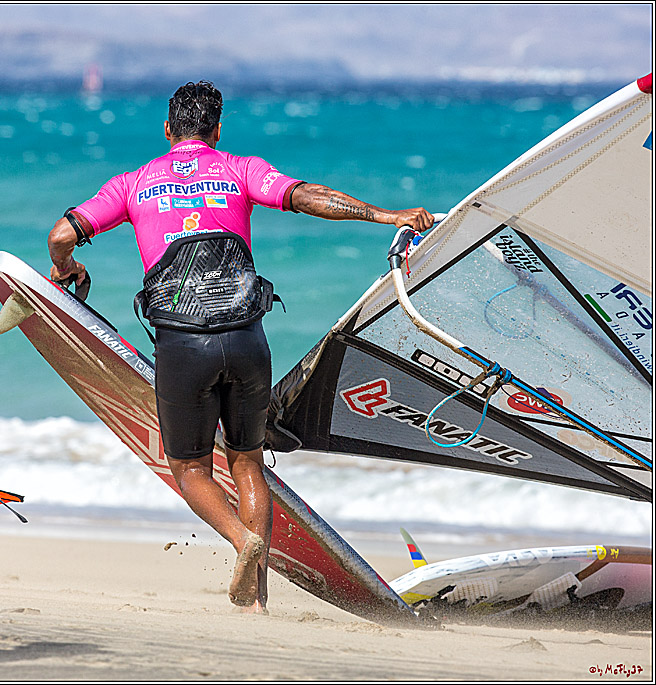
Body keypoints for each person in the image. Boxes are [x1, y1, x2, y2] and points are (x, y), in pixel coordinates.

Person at [48, 80, 433, 614]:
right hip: (248, 340)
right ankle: (259, 604)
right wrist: (387, 216)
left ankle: (240, 539)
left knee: (191, 469)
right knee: (248, 460)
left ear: (168, 130)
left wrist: (66, 269)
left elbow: (61, 235)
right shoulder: (240, 169)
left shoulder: (133, 183)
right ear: (217, 130)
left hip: (184, 347)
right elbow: (311, 197)